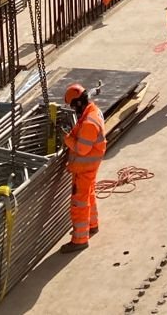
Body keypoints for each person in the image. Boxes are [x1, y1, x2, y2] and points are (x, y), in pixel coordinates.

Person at [61, 82, 106, 250]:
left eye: (74, 107)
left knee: (79, 202)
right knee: (89, 194)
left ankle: (80, 240)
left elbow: (82, 149)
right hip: (91, 165)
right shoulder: (93, 111)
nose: (74, 110)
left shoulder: (88, 122)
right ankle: (92, 225)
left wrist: (66, 138)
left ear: (78, 103)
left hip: (85, 166)